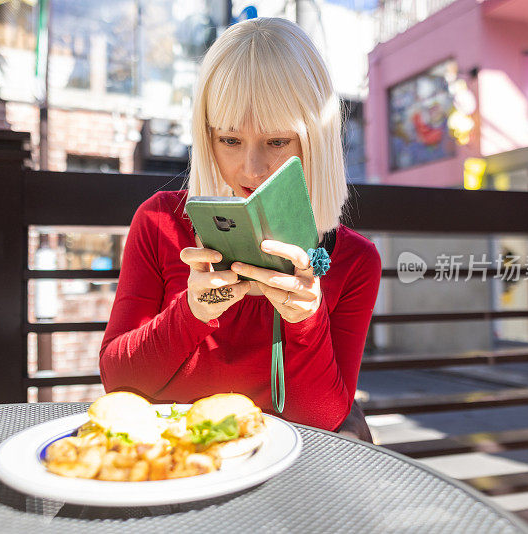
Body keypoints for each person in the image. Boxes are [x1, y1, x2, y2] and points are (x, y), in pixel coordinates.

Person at [99, 17, 381, 435]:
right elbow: (118, 382)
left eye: (277, 141)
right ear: (207, 137)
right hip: (171, 467)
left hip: (281, 484)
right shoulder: (160, 222)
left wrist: (306, 321)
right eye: (230, 140)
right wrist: (189, 313)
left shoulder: (354, 261)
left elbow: (324, 419)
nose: (252, 169)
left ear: (316, 140)